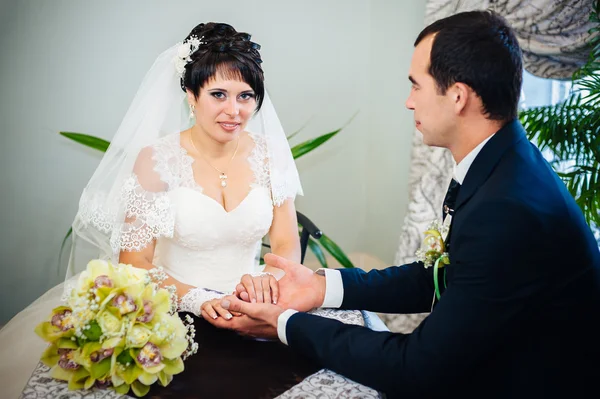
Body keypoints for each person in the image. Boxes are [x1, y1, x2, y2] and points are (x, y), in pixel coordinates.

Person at [206, 11, 600, 399]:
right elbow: (438, 278)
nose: (408, 102)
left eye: (417, 86)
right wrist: (321, 286)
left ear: (458, 96)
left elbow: (416, 369)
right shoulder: (503, 160)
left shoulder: (506, 207)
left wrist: (285, 324)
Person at [0, 22, 304, 398]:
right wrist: (200, 299)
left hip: (254, 311)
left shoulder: (270, 155)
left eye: (246, 96)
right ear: (191, 96)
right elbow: (135, 262)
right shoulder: (157, 161)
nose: (234, 110)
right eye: (219, 94)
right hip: (172, 312)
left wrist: (269, 284)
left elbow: (287, 240)